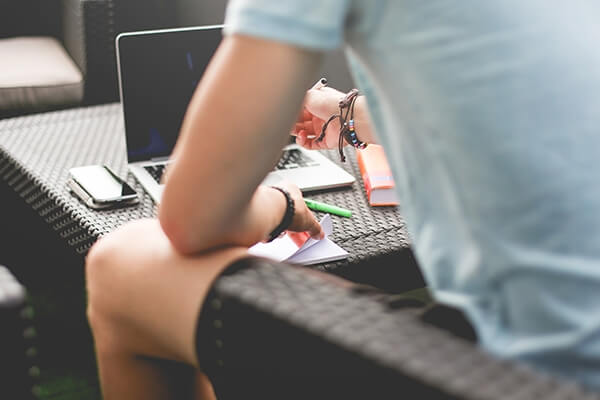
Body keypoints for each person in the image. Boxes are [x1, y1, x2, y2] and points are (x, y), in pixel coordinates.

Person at [85, 0, 600, 398]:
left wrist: (282, 203)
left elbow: (192, 220)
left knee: (122, 267)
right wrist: (349, 114)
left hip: (539, 373)